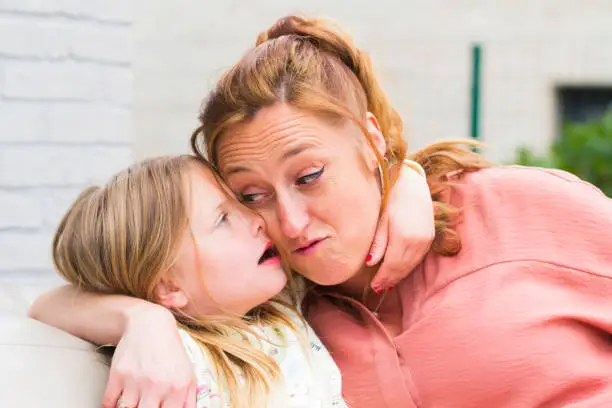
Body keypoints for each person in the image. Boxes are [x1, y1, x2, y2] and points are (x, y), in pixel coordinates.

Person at [32, 14, 612, 408]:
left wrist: (407, 176)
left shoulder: (521, 210)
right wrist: (142, 320)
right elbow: (48, 301)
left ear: (369, 139)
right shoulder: (280, 306)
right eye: (250, 196)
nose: (289, 224)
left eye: (310, 177)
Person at [50, 154, 351, 408]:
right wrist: (145, 322)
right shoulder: (171, 359)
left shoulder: (280, 306)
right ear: (168, 286)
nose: (257, 219)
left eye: (242, 203)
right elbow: (44, 307)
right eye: (223, 219)